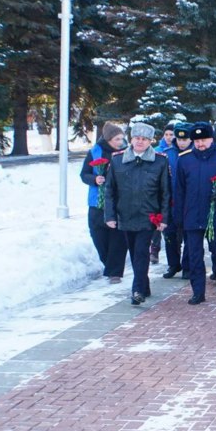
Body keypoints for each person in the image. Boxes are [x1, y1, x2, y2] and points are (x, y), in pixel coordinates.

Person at [103, 122, 170, 305]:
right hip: (125, 215)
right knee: (133, 252)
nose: (140, 142)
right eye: (137, 138)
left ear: (150, 141)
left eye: (144, 139)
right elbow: (110, 191)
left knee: (141, 252)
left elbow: (165, 192)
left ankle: (137, 290)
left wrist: (163, 217)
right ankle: (144, 283)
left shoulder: (160, 160)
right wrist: (109, 216)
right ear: (131, 139)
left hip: (149, 216)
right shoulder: (117, 160)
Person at [175, 122, 216, 305]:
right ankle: (198, 291)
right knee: (195, 255)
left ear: (212, 139)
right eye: (196, 140)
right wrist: (178, 217)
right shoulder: (184, 159)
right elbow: (179, 190)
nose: (200, 144)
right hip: (193, 214)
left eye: (203, 140)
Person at [80, 122, 128, 284]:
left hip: (119, 201)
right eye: (117, 139)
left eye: (121, 139)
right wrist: (95, 179)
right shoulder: (95, 152)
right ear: (108, 139)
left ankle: (115, 272)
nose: (120, 142)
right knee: (98, 234)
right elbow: (84, 174)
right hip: (97, 201)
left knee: (118, 237)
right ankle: (108, 263)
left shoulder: (126, 153)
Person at [161, 123, 193, 279]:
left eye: (185, 139)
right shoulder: (167, 154)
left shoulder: (195, 153)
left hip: (189, 202)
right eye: (179, 139)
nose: (181, 142)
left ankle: (187, 266)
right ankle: (173, 264)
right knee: (170, 235)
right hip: (171, 201)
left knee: (189, 236)